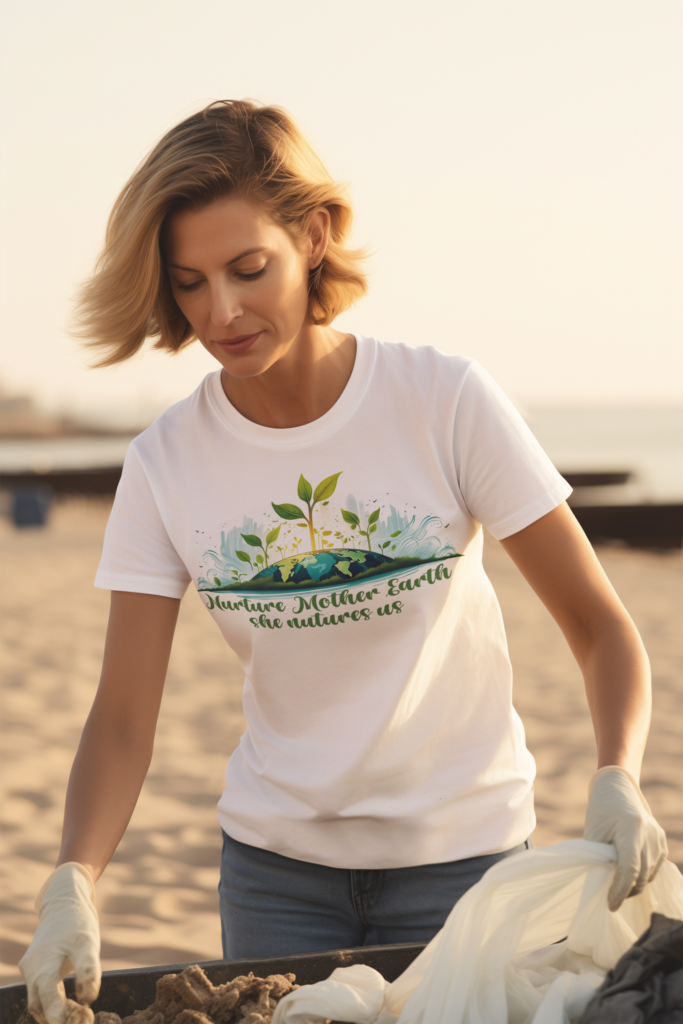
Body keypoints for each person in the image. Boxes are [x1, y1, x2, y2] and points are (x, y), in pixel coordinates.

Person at [19, 100, 668, 1024]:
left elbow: (600, 627)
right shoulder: (166, 461)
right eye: (191, 283)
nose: (223, 312)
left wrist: (617, 776)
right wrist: (72, 880)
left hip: (467, 861)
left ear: (315, 235)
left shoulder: (441, 400)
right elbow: (124, 714)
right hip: (275, 876)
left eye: (249, 269)